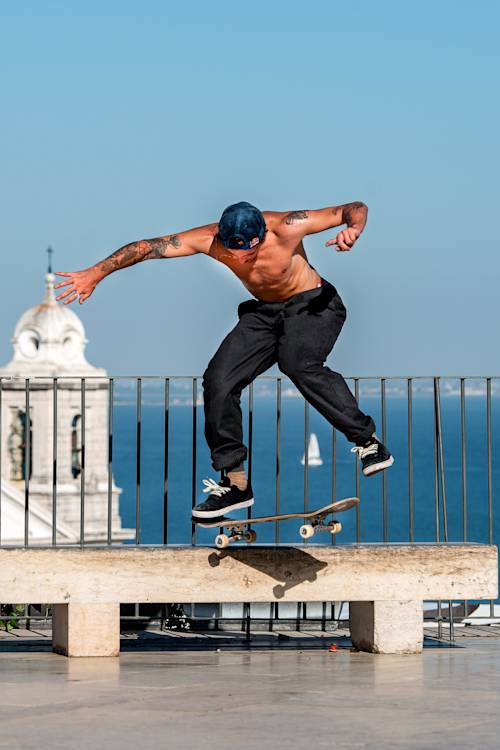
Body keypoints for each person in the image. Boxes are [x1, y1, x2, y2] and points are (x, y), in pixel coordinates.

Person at [55, 200, 394, 519]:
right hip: (264, 314)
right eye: (234, 252)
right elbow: (147, 247)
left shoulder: (288, 226)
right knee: (218, 381)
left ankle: (368, 442)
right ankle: (236, 483)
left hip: (313, 306)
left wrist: (354, 229)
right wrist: (96, 272)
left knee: (297, 363)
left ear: (262, 236)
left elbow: (354, 208)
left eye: (250, 250)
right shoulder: (207, 239)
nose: (243, 259)